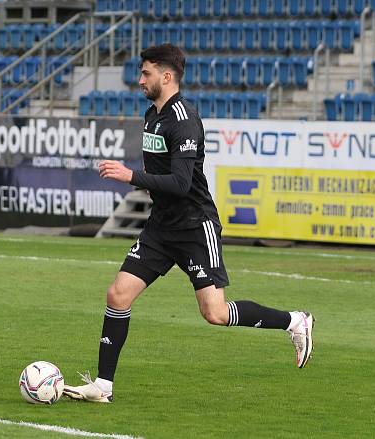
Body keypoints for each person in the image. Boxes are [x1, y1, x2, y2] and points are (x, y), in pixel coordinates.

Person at [63, 44, 314, 404]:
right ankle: (103, 387)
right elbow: (158, 173)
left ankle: (295, 322)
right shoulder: (153, 115)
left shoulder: (184, 120)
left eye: (146, 73)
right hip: (161, 228)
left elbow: (181, 184)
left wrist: (129, 175)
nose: (140, 80)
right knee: (118, 294)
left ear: (167, 76)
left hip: (195, 228)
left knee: (214, 313)